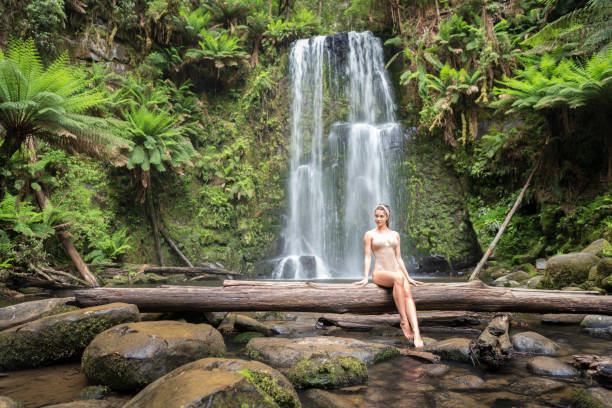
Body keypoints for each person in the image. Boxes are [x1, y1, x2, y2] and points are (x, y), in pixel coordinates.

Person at [353, 204, 425, 347]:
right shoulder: (369, 234)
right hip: (379, 273)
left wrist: (408, 277)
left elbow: (399, 258)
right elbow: (367, 257)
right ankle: (404, 321)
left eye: (381, 216)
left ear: (387, 217)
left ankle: (417, 333)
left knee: (407, 293)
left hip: (396, 271)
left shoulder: (395, 235)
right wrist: (365, 277)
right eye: (376, 216)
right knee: (398, 278)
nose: (378, 219)